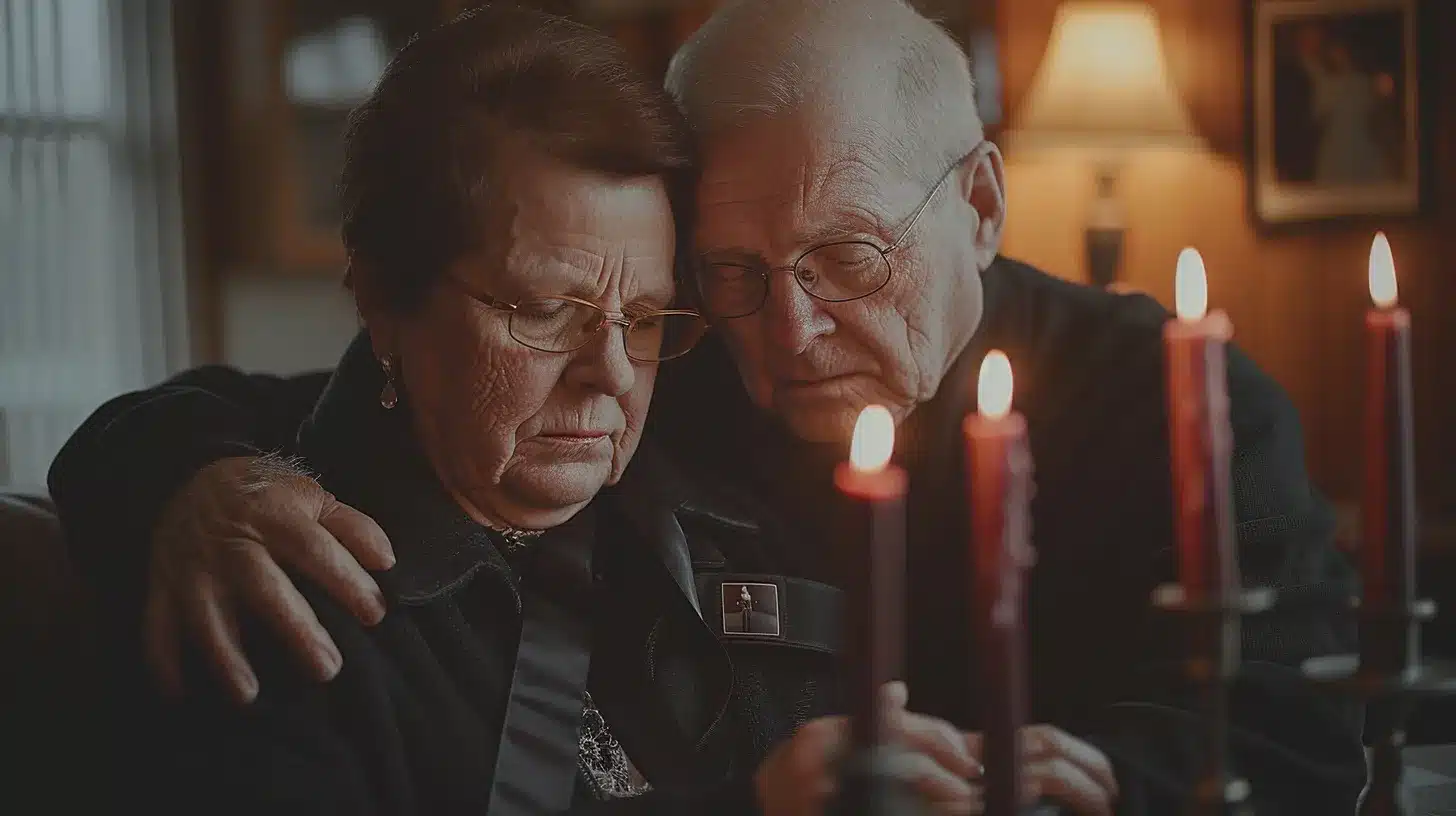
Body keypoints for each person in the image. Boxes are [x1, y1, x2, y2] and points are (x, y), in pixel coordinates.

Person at [51, 1, 1366, 813]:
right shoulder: (663, 368)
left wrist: (1100, 788)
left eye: (848, 256)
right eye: (729, 272)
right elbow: (337, 408)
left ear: (979, 205)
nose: (788, 334)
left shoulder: (1179, 405)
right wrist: (187, 477)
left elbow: (1300, 742)